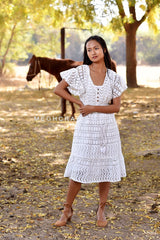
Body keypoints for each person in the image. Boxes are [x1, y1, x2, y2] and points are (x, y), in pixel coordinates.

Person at [54, 35, 127, 227]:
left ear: (104, 49)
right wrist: (79, 102)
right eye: (88, 50)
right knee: (78, 170)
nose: (92, 52)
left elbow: (116, 108)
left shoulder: (113, 77)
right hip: (86, 129)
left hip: (107, 129)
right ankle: (67, 209)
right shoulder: (81, 72)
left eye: (96, 48)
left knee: (105, 170)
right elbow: (58, 89)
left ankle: (101, 209)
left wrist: (93, 107)